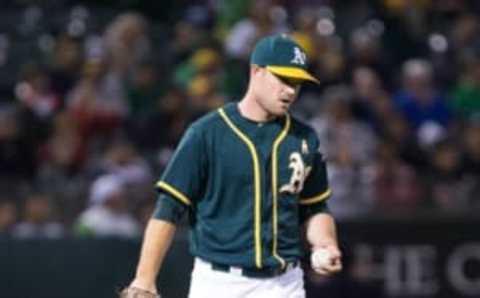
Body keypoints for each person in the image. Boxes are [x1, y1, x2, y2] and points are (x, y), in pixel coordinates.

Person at [121, 34, 342, 298]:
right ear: (256, 72)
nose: (291, 91)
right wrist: (144, 279)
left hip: (285, 284)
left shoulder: (304, 138)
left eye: (297, 83)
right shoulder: (208, 133)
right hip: (221, 283)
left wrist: (325, 244)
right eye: (283, 79)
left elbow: (315, 207)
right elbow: (169, 208)